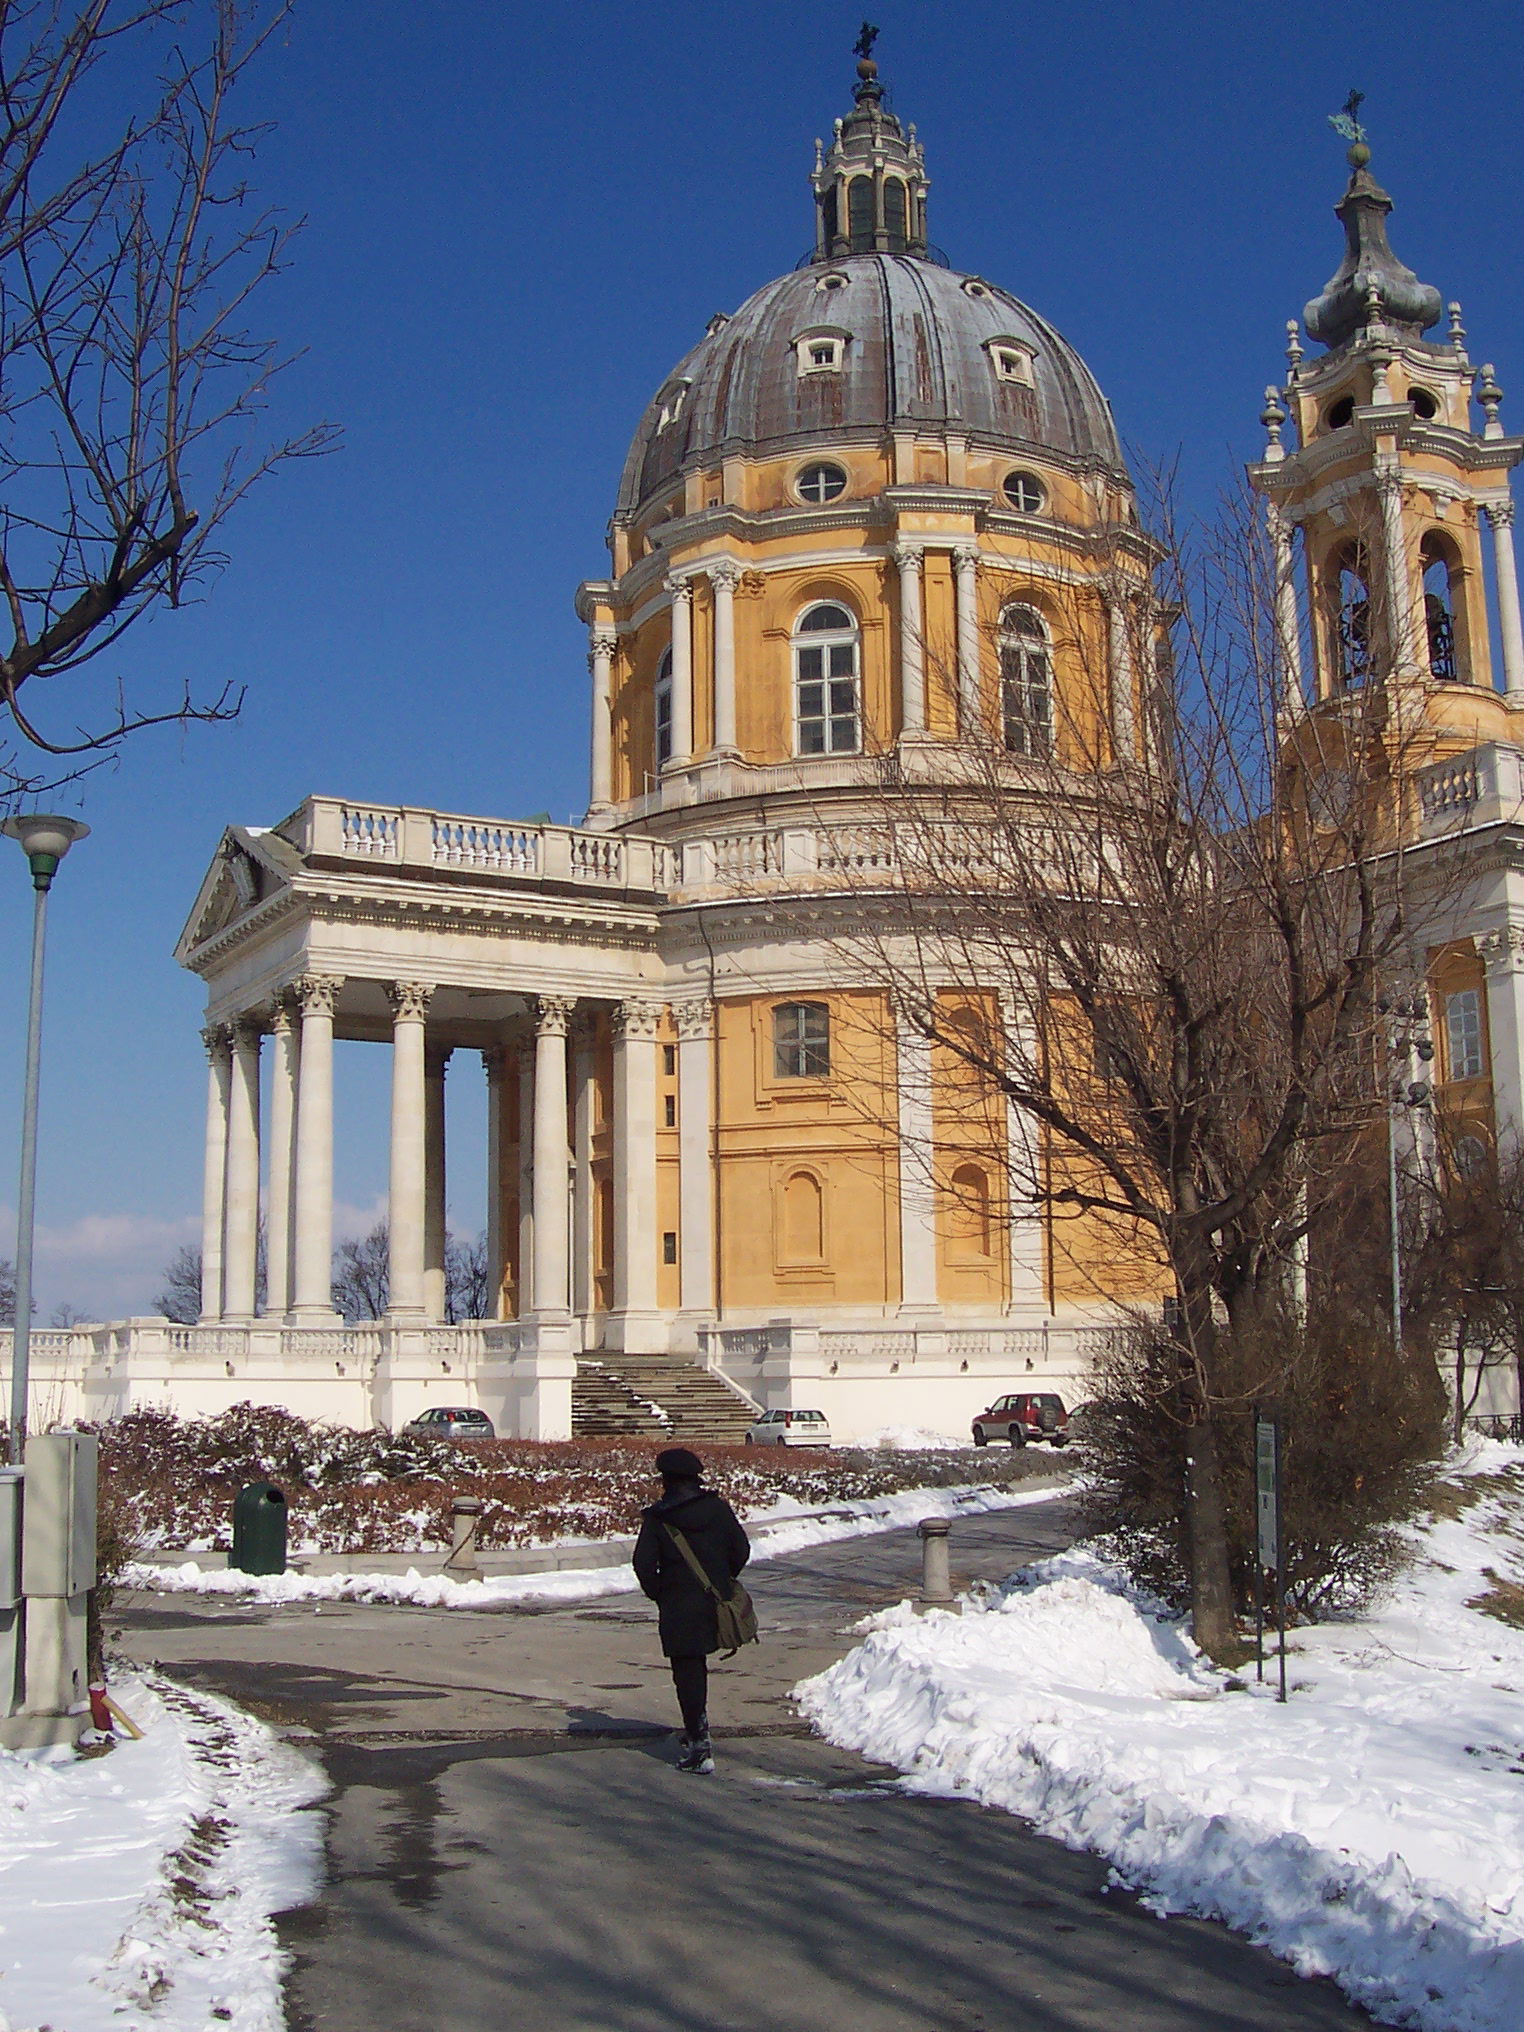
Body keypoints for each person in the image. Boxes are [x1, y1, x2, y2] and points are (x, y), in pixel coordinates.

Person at [632, 1446, 750, 1774]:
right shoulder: (717, 1509)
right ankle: (697, 1735)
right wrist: (722, 1583)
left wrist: (660, 1593)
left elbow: (643, 1564)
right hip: (713, 1601)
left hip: (678, 1605)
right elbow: (741, 1549)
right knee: (698, 1665)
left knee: (687, 1671)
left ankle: (699, 1741)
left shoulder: (658, 1518)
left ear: (666, 1479)